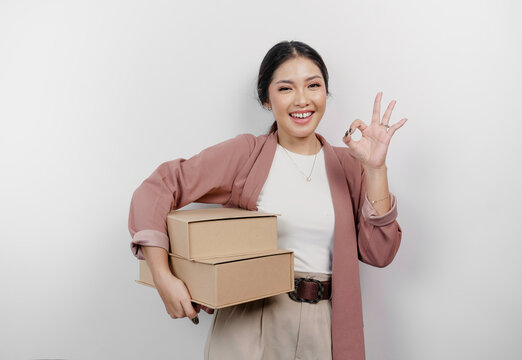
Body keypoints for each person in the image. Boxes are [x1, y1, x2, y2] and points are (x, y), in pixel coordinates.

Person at [128, 40, 407, 360]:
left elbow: (380, 253)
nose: (302, 99)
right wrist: (164, 278)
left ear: (325, 93)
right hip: (251, 322)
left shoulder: (349, 166)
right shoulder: (246, 154)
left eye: (313, 85)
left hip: (325, 326)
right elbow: (157, 188)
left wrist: (375, 169)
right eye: (286, 88)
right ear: (265, 99)